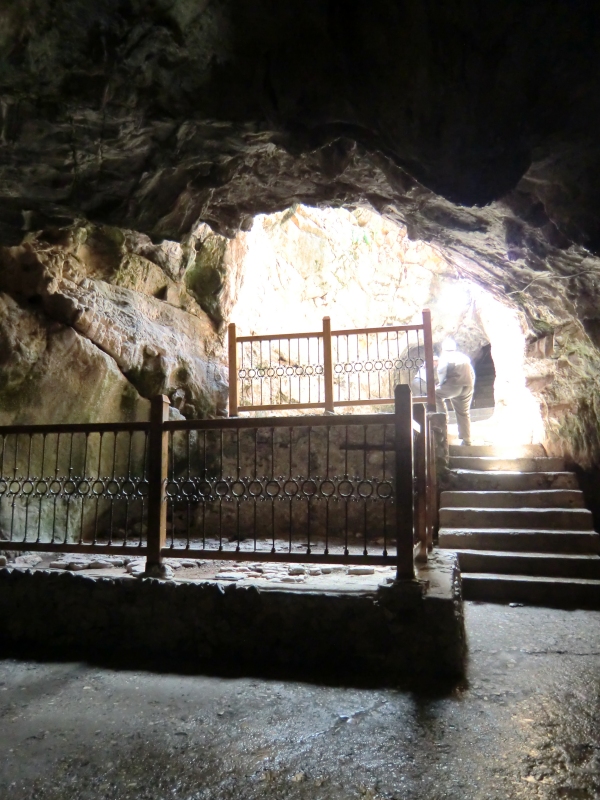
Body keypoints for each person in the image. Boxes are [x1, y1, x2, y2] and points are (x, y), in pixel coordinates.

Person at [435, 338, 475, 446]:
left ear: (443, 349)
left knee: (435, 394)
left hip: (454, 385)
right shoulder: (463, 357)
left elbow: (441, 371)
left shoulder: (445, 357)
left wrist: (441, 384)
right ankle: (467, 440)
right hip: (468, 386)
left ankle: (442, 419)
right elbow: (472, 373)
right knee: (463, 412)